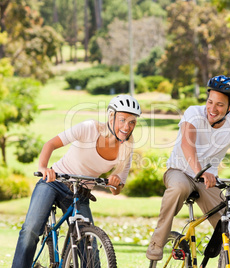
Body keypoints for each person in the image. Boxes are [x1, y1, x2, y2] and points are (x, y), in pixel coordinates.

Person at [146, 75, 230, 260]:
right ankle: (156, 243)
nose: (212, 109)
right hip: (179, 171)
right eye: (210, 101)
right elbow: (187, 145)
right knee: (179, 187)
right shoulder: (193, 113)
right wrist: (199, 171)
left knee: (227, 223)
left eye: (219, 105)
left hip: (208, 180)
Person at [12, 95, 141, 268]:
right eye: (122, 120)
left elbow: (117, 189)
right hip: (54, 182)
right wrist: (43, 168)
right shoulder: (89, 128)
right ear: (111, 116)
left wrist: (115, 183)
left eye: (132, 122)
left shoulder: (126, 150)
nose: (127, 126)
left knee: (90, 249)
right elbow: (50, 144)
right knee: (30, 231)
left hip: (80, 192)